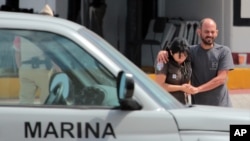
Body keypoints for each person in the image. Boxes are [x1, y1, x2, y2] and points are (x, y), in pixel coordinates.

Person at [157, 18, 234, 107]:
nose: (210, 34)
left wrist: (198, 89)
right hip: (198, 107)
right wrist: (164, 52)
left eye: (212, 32)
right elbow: (177, 50)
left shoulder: (224, 51)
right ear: (199, 32)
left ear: (216, 32)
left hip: (221, 106)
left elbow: (221, 79)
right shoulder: (191, 51)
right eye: (206, 32)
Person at [13, 4, 56, 104]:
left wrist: (22, 68)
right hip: (44, 71)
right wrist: (59, 71)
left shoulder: (22, 33)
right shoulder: (50, 33)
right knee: (47, 101)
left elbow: (17, 53)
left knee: (25, 101)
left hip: (25, 70)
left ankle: (23, 118)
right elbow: (53, 56)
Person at [155, 37, 192, 104]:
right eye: (179, 56)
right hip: (167, 103)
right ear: (171, 52)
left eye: (185, 55)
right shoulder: (163, 61)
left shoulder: (187, 63)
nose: (182, 59)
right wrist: (181, 88)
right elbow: (159, 85)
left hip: (183, 103)